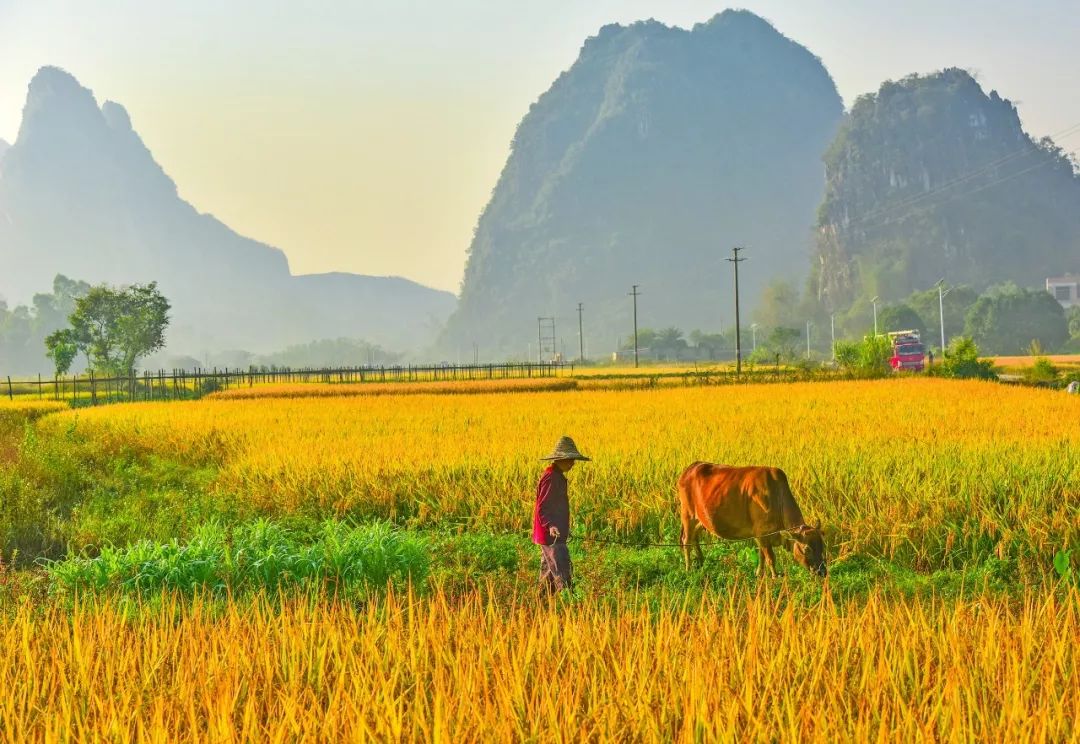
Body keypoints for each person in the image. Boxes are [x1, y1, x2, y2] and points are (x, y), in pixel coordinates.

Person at [533, 436, 590, 594]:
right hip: (552, 536)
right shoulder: (551, 478)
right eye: (570, 459)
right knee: (563, 571)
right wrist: (551, 525)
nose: (572, 463)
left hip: (554, 533)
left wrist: (562, 528)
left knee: (548, 575)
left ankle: (541, 608)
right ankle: (569, 605)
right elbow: (542, 507)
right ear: (560, 459)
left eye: (573, 460)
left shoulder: (556, 476)